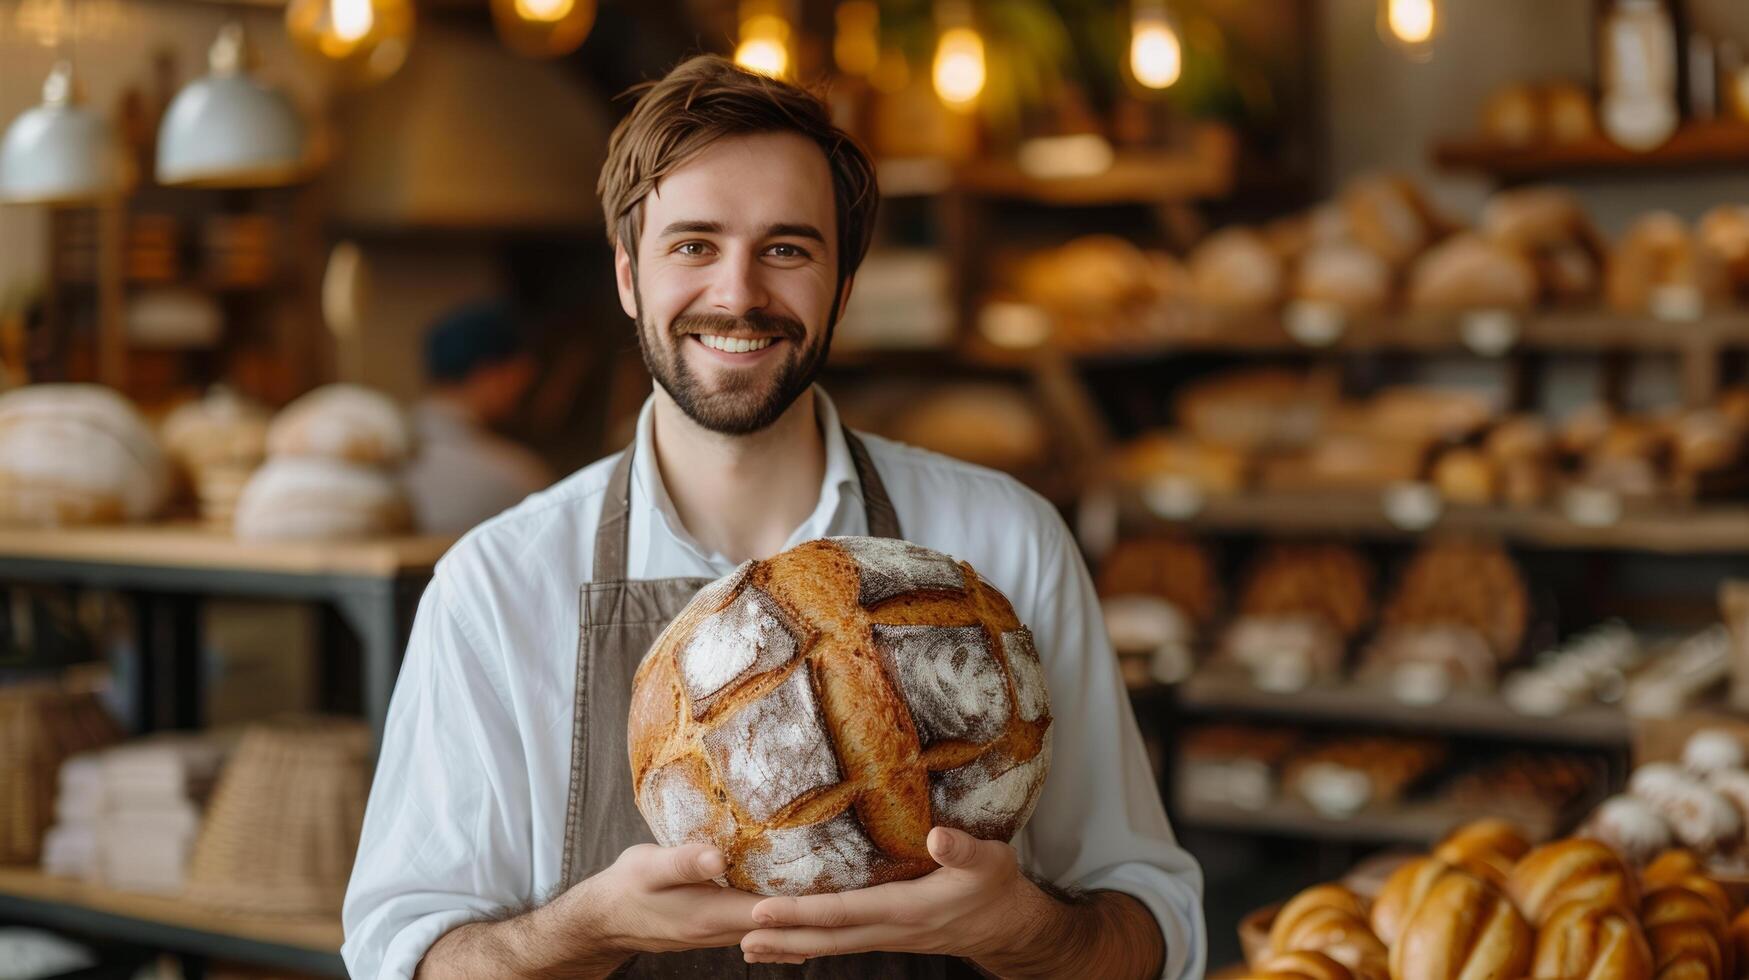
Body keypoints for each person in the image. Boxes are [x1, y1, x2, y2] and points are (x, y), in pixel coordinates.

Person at [342, 55, 1204, 980]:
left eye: (786, 249)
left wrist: (1021, 930)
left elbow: (1154, 933)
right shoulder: (501, 583)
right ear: (629, 276)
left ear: (841, 286)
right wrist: (584, 929)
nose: (739, 294)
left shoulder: (1006, 540)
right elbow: (406, 959)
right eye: (693, 245)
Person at [401, 303, 554, 534]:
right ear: (491, 374)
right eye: (521, 375)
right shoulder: (517, 478)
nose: (526, 388)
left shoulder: (381, 466)